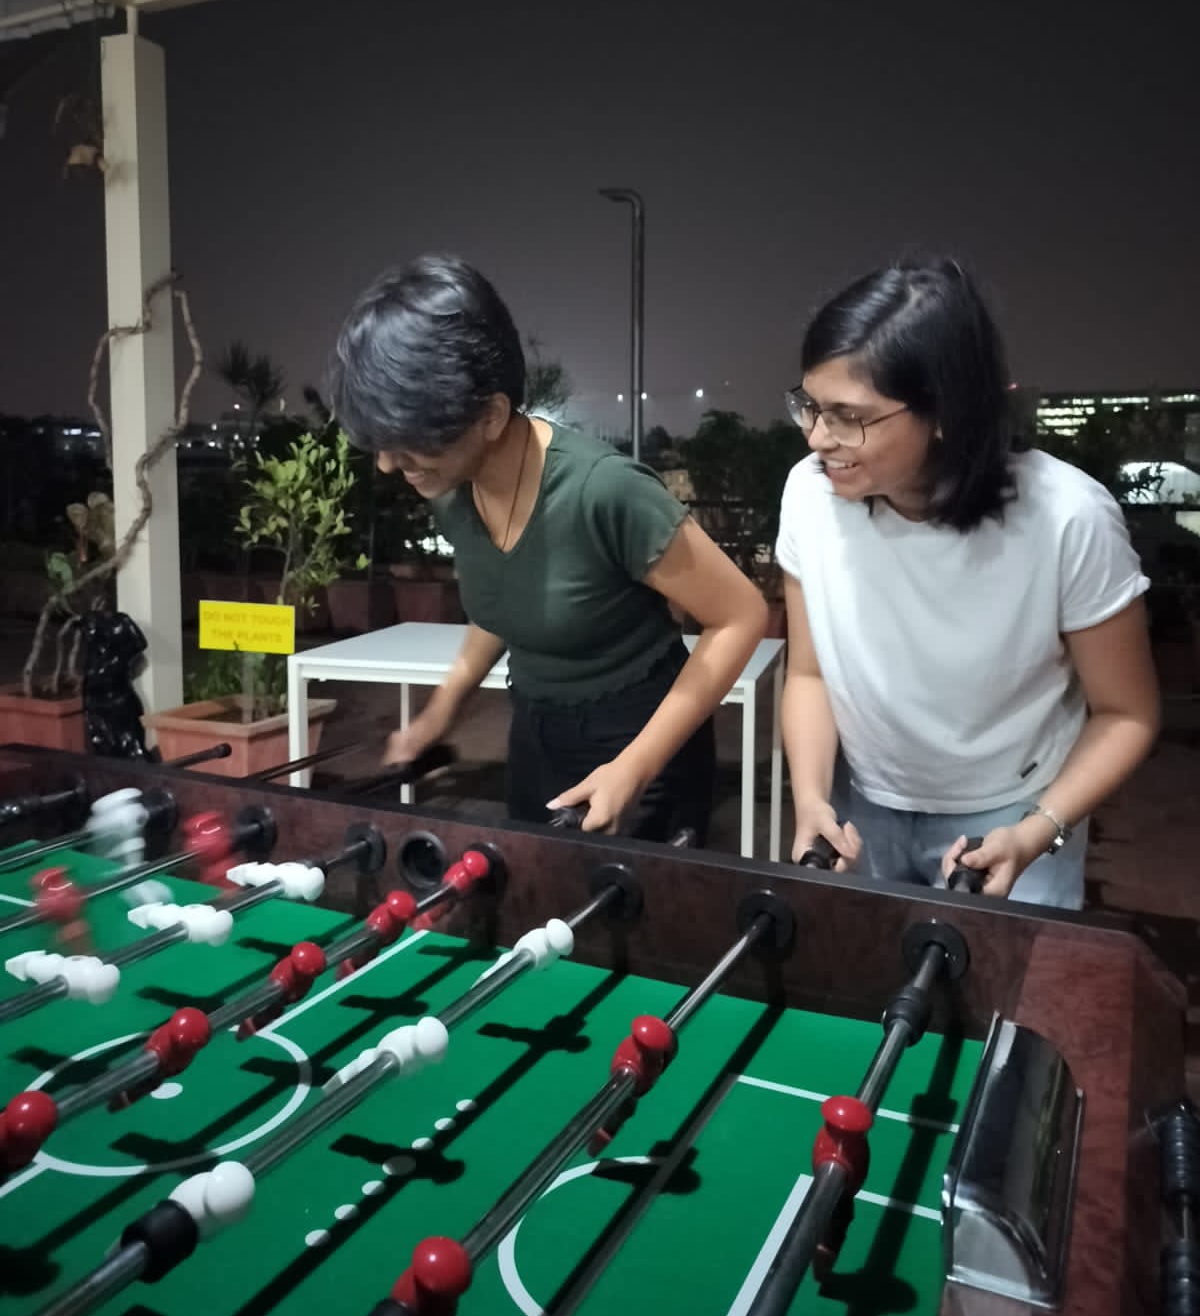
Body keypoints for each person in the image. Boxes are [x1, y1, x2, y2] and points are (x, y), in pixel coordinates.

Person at [330, 253, 767, 843]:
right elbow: (506, 601)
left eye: (409, 443)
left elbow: (740, 615)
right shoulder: (450, 486)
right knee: (535, 915)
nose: (387, 463)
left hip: (640, 737)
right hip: (534, 730)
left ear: (490, 415)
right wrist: (439, 714)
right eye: (381, 443)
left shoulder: (604, 491)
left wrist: (635, 766)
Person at [774, 256, 1160, 908]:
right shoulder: (809, 498)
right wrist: (811, 797)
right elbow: (810, 674)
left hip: (1013, 817)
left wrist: (1038, 832)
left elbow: (1127, 714)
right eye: (810, 406)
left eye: (849, 416)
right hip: (860, 810)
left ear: (946, 410)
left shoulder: (1067, 518)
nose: (818, 438)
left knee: (1001, 1008)